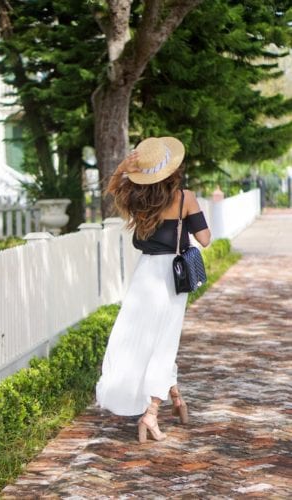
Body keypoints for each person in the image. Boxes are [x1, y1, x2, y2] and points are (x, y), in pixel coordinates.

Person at [96, 136, 211, 443]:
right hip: (171, 278)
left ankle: (175, 398)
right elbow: (205, 238)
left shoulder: (137, 197)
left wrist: (124, 166)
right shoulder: (185, 198)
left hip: (145, 273)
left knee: (142, 339)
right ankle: (151, 413)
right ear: (173, 168)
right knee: (164, 344)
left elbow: (112, 186)